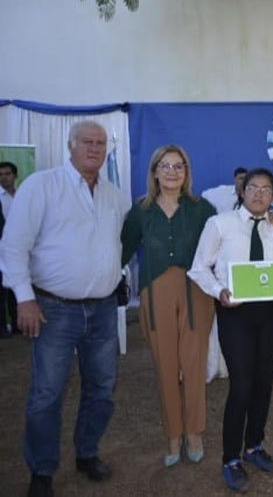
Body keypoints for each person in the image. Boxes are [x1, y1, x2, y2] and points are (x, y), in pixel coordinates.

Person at [0, 121, 129, 497]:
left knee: (102, 389)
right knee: (46, 394)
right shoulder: (40, 186)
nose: (94, 148)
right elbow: (13, 245)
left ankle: (87, 452)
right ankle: (42, 469)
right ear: (69, 146)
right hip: (53, 309)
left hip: (103, 309)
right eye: (87, 142)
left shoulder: (114, 196)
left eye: (100, 143)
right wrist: (24, 297)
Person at [189, 167, 273, 492]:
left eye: (266, 189)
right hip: (235, 314)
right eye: (253, 187)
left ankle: (254, 447)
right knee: (241, 385)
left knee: (264, 382)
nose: (259, 194)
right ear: (242, 191)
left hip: (271, 314)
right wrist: (220, 291)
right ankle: (231, 459)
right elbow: (198, 268)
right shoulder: (219, 224)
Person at [121, 145, 216, 467]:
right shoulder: (141, 210)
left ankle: (194, 432)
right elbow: (121, 250)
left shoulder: (202, 208)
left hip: (196, 293)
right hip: (156, 292)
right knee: (165, 367)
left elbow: (225, 244)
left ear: (187, 172)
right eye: (165, 166)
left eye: (179, 166)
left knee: (192, 365)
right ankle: (173, 434)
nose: (172, 172)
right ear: (154, 171)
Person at [0, 161, 18, 336]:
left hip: (19, 250)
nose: (4, 177)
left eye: (7, 174)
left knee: (17, 288)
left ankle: (17, 324)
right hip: (1, 249)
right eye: (1, 174)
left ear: (14, 176)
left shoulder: (22, 195)